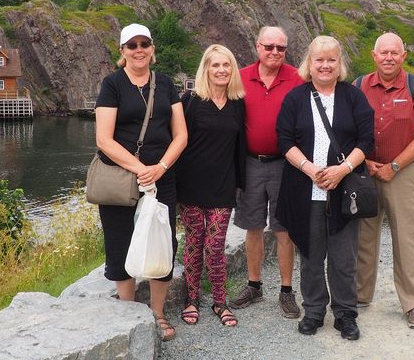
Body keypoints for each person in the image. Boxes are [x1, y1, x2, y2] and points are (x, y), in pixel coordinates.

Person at [275, 35, 373, 340]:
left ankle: (345, 314)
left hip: (343, 192)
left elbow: (366, 140)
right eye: (319, 59)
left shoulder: (353, 97)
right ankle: (314, 310)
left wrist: (343, 170)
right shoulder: (295, 98)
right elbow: (284, 140)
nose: (325, 65)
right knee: (310, 254)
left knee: (344, 258)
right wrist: (309, 168)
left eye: (331, 59)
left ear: (339, 63)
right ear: (310, 63)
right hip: (306, 191)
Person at [94, 23, 188, 341]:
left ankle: (158, 313)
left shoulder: (165, 85)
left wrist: (159, 167)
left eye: (144, 43)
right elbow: (104, 139)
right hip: (121, 177)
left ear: (152, 49)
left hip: (163, 177)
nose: (138, 50)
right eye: (131, 45)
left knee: (163, 243)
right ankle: (129, 313)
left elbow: (181, 135)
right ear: (122, 52)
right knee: (120, 242)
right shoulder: (112, 84)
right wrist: (140, 169)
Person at [355, 32, 414, 329]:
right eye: (383, 52)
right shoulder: (358, 86)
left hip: (403, 173)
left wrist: (394, 165)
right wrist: (364, 161)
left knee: (407, 239)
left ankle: (413, 303)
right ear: (373, 55)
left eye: (394, 52)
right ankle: (360, 294)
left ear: (403, 56)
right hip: (364, 171)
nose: (388, 57)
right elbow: (347, 128)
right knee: (363, 237)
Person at [229, 26, 305, 318]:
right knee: (253, 227)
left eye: (281, 48)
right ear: (257, 46)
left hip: (286, 163)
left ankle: (286, 291)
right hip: (249, 163)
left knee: (285, 229)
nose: (275, 52)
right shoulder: (241, 76)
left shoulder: (297, 78)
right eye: (269, 46)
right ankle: (254, 285)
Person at [177, 45, 246, 328]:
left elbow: (240, 148)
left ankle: (220, 301)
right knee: (194, 242)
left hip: (223, 186)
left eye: (226, 65)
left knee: (215, 246)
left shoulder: (238, 104)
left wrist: (240, 185)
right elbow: (178, 143)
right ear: (206, 69)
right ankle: (191, 299)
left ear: (232, 70)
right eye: (215, 65)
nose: (221, 70)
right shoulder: (190, 102)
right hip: (191, 185)